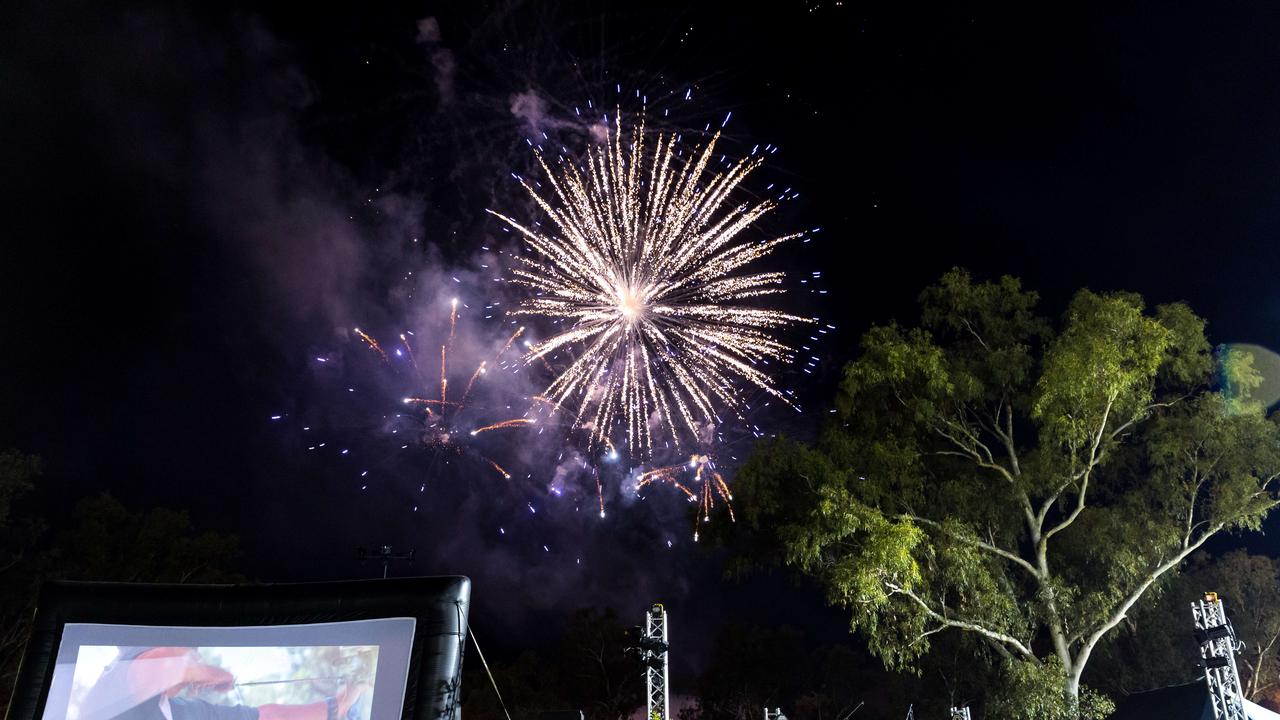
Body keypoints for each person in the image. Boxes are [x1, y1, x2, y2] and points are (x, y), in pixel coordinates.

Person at [79, 646, 368, 720]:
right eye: (194, 655)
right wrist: (212, 673)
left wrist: (340, 704)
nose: (195, 661)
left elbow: (266, 717)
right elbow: (166, 665)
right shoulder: (118, 680)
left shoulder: (187, 711)